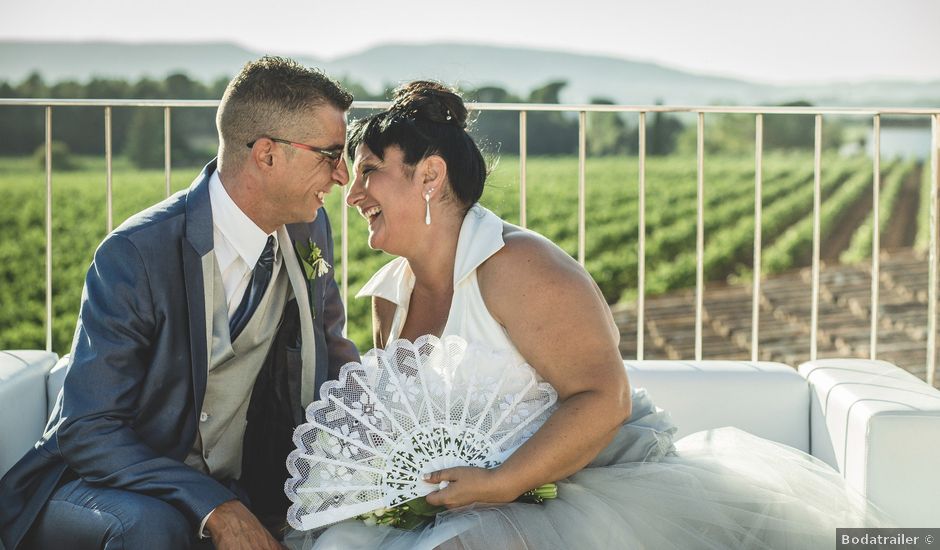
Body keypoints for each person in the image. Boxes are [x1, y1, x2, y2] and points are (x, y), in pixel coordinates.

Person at [301, 80, 891, 549]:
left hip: (586, 486)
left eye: (369, 170)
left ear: (430, 175)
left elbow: (602, 397)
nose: (352, 195)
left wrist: (502, 483)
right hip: (467, 503)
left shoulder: (520, 267)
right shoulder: (387, 297)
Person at [0, 56, 359, 550]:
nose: (343, 175)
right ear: (267, 155)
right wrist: (212, 504)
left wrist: (381, 445)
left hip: (239, 480)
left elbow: (330, 348)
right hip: (106, 486)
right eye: (330, 154)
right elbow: (87, 428)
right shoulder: (136, 254)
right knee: (155, 527)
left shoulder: (307, 229)